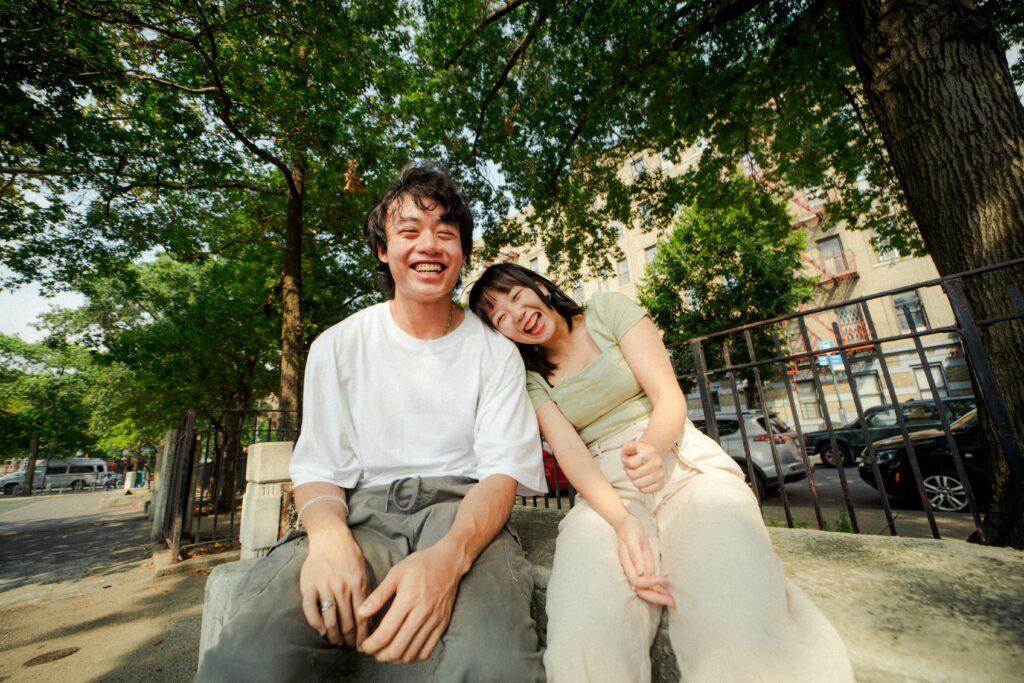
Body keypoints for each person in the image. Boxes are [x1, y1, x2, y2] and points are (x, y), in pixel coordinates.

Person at [197, 164, 548, 682]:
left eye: (445, 233)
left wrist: (448, 560)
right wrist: (328, 540)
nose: (428, 245)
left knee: (492, 664)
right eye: (409, 231)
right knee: (250, 659)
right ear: (384, 249)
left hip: (464, 517)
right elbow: (319, 468)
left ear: (462, 253)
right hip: (358, 516)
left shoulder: (496, 353)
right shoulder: (337, 346)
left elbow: (501, 475)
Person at [468, 263, 854, 683]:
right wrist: (622, 522)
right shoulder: (530, 378)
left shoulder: (607, 310)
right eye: (500, 317)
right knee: (585, 629)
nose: (515, 314)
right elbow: (570, 453)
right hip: (606, 491)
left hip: (679, 460)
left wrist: (651, 448)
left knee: (732, 604)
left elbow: (668, 396)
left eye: (516, 296)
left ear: (539, 287)